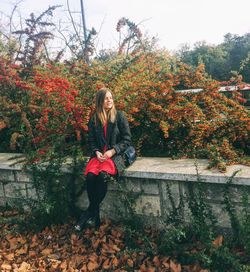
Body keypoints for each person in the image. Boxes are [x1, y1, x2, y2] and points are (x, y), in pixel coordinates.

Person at [75, 87, 132, 230]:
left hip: (115, 157)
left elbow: (127, 140)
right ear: (100, 101)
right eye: (106, 98)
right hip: (99, 157)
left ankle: (88, 213)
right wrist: (96, 151)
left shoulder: (119, 116)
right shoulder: (94, 119)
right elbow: (92, 141)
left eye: (111, 97)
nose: (109, 100)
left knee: (102, 177)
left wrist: (113, 151)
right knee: (89, 177)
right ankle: (95, 215)